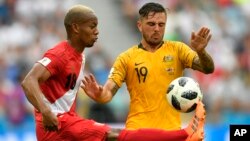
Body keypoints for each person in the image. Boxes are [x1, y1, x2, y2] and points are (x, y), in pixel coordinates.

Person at [21, 4, 205, 141]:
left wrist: (99, 94)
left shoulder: (79, 56)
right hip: (60, 122)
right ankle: (186, 133)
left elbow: (207, 68)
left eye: (97, 26)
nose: (97, 31)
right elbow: (29, 81)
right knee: (116, 135)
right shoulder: (60, 54)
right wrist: (46, 111)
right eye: (92, 26)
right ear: (76, 28)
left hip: (62, 124)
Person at [81, 2, 214, 131]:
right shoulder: (126, 58)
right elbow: (108, 92)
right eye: (151, 24)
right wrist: (99, 94)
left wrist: (201, 52)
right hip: (138, 131)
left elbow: (207, 68)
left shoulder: (178, 50)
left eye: (161, 24)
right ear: (139, 25)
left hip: (169, 132)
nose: (157, 28)